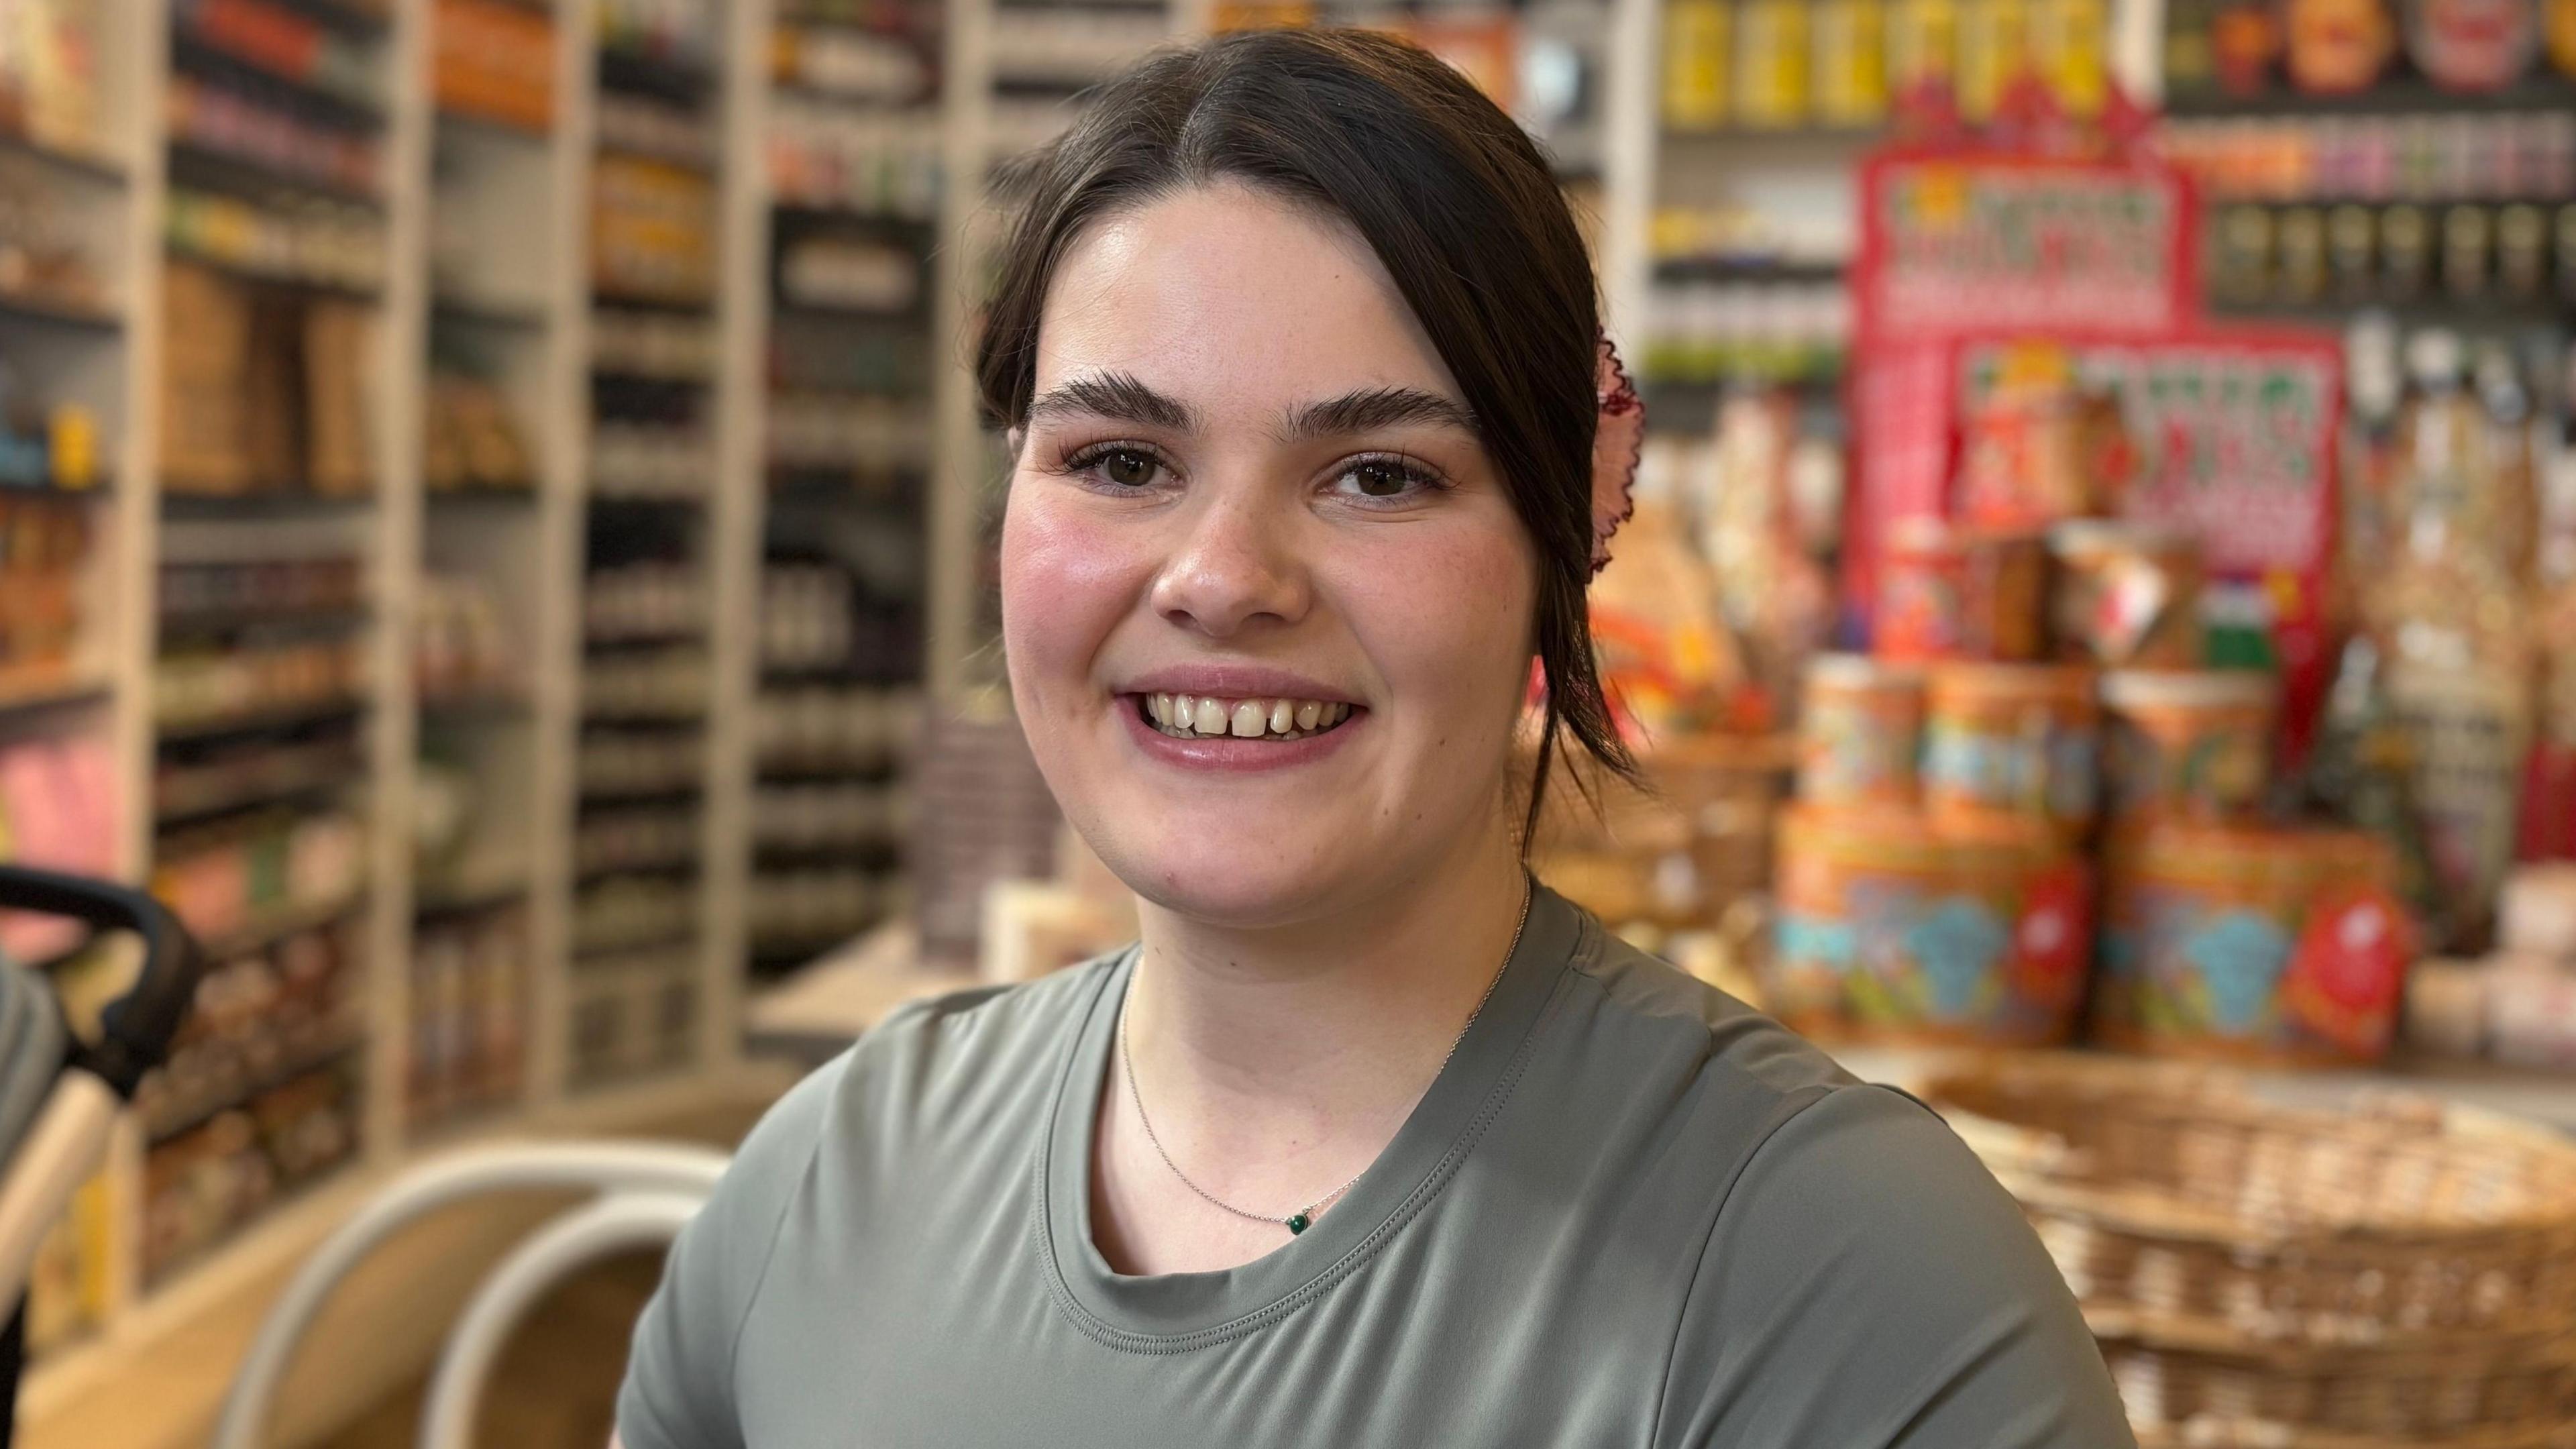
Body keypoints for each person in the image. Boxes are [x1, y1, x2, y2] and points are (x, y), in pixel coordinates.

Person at [615, 27, 2134, 1448]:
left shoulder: (1840, 1280)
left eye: (1380, 477)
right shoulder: (827, 1182)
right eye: (1122, 459)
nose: (1221, 580)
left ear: (1563, 533)